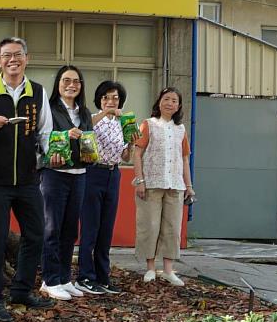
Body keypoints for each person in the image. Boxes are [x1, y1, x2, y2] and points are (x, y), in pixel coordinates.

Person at [0, 37, 54, 322]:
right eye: (7, 55)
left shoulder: (38, 93)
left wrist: (50, 155)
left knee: (35, 234)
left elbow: (45, 134)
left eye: (18, 54)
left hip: (29, 180)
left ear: (27, 59)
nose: (12, 60)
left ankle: (21, 290)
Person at [75, 81, 134, 295]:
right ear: (99, 99)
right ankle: (84, 276)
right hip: (93, 172)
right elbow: (84, 128)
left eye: (115, 98)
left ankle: (103, 275)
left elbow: (126, 156)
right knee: (90, 226)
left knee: (106, 228)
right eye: (106, 97)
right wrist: (105, 113)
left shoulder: (123, 122)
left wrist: (132, 143)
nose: (111, 101)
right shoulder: (93, 118)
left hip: (113, 173)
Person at [39, 65, 93, 301]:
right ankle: (49, 280)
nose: (71, 85)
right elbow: (40, 138)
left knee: (70, 230)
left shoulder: (85, 112)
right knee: (52, 228)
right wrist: (63, 137)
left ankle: (63, 278)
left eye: (76, 81)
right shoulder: (49, 109)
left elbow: (89, 141)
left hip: (79, 174)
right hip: (54, 174)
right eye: (66, 80)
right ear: (58, 84)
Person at [132, 86, 194, 287]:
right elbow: (137, 154)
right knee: (149, 226)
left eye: (174, 100)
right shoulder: (148, 125)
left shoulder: (181, 130)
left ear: (179, 105)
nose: (170, 103)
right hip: (151, 184)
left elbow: (184, 159)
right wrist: (139, 180)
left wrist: (189, 186)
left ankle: (168, 270)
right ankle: (150, 268)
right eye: (166, 99)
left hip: (175, 185)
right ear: (159, 102)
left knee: (172, 228)